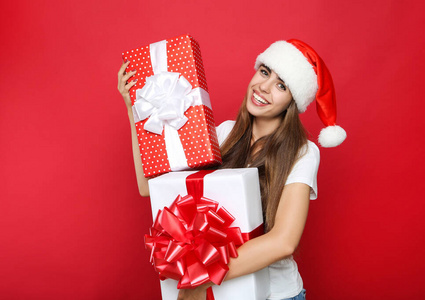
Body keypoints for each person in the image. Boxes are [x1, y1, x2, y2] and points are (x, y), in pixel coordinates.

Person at [118, 39, 346, 300]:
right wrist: (134, 109)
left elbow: (284, 241)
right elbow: (150, 186)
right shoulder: (223, 134)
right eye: (264, 72)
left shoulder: (302, 152)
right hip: (225, 294)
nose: (264, 87)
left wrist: (202, 279)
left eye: (281, 86)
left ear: (292, 102)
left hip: (277, 295)